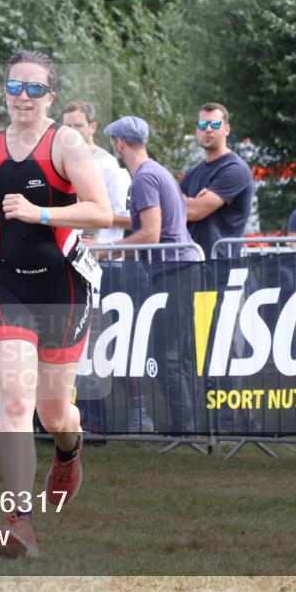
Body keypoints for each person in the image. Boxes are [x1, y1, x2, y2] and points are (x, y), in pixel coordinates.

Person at [0, 50, 112, 558]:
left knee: (54, 412)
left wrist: (39, 212)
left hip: (62, 287)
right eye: (15, 88)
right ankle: (19, 522)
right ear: (5, 92)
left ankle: (69, 449)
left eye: (34, 89)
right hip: (6, 285)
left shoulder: (65, 144)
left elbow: (101, 212)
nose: (23, 97)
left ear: (50, 96)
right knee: (15, 402)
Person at [104, 114, 199, 433]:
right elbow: (147, 223)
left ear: (119, 144)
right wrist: (113, 222)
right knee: (177, 356)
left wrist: (106, 250)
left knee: (166, 357)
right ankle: (187, 426)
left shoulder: (143, 178)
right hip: (180, 268)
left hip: (172, 271)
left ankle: (185, 430)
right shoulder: (157, 171)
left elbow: (151, 234)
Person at [181, 103, 255, 258]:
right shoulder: (192, 173)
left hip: (222, 268)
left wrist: (190, 203)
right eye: (202, 124)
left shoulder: (235, 170)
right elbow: (176, 210)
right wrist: (188, 202)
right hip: (192, 264)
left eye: (215, 124)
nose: (208, 129)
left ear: (226, 129)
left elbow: (193, 211)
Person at [61, 101, 131, 243]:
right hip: (69, 256)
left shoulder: (109, 164)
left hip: (103, 258)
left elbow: (130, 220)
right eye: (67, 126)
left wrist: (91, 210)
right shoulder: (60, 162)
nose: (72, 131)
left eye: (78, 126)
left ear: (92, 127)